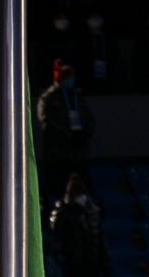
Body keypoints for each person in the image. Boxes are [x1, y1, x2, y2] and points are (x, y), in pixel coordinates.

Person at [49, 175, 110, 277]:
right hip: (71, 269)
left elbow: (100, 242)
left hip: (92, 268)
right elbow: (56, 239)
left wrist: (105, 268)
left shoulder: (92, 212)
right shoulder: (63, 213)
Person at [36, 61, 95, 195]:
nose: (70, 80)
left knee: (80, 184)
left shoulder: (77, 96)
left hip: (78, 151)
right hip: (58, 154)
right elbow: (47, 122)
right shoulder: (49, 98)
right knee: (58, 186)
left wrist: (85, 133)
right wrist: (66, 134)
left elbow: (89, 118)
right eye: (66, 77)